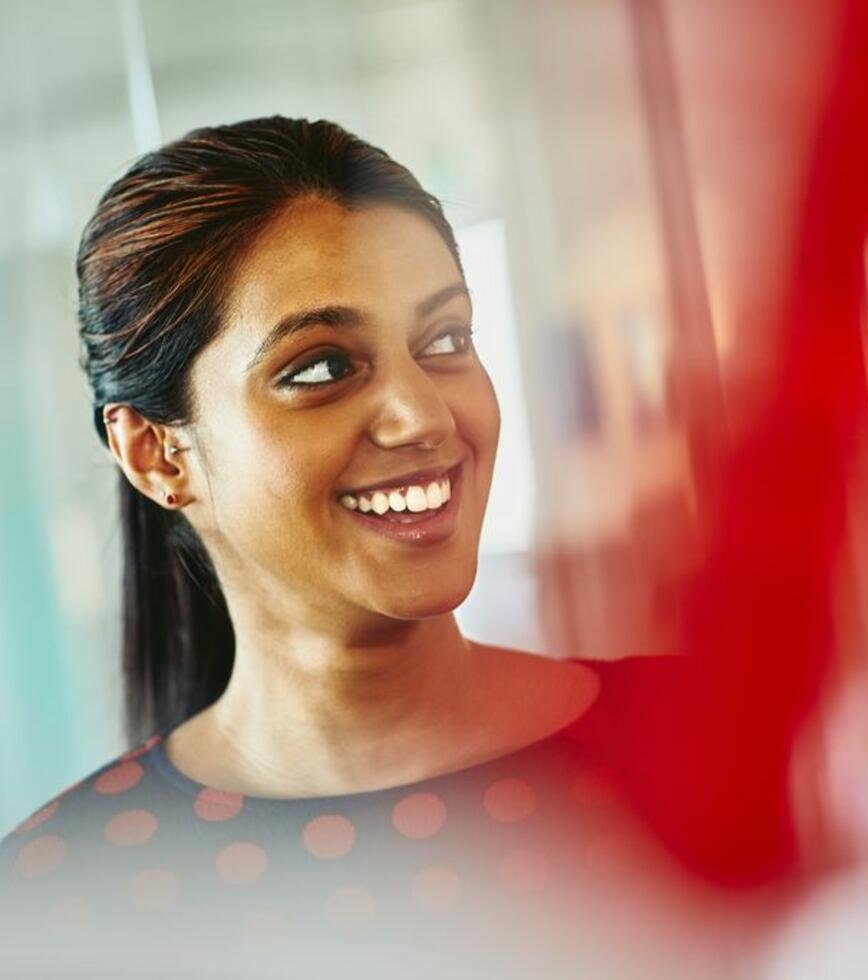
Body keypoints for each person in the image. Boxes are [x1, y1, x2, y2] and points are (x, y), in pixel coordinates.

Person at [0, 116, 713, 979]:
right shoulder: (61, 898)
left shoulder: (717, 749)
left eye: (444, 342)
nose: (424, 417)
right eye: (320, 368)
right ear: (156, 453)